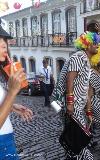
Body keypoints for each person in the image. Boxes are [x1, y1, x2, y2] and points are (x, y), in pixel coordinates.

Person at [52, 31, 100, 160]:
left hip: (78, 107)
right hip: (72, 107)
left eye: (98, 43)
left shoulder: (86, 60)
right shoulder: (78, 57)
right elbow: (70, 79)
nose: (98, 45)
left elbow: (85, 89)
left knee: (74, 140)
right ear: (86, 44)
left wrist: (89, 112)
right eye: (95, 43)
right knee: (79, 141)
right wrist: (70, 103)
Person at [0, 18, 33, 159]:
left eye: (4, 42)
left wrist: (12, 107)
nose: (4, 47)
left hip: (6, 140)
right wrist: (12, 92)